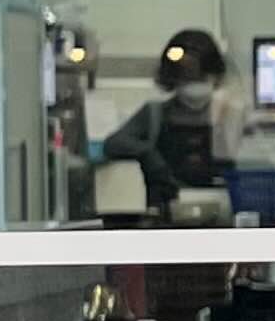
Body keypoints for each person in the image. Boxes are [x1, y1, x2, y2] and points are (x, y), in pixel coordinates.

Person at [101, 28, 240, 208]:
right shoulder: (154, 114)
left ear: (215, 77)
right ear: (173, 78)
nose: (194, 84)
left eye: (201, 78)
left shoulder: (230, 116)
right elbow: (113, 143)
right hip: (167, 210)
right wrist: (147, 153)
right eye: (187, 78)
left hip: (222, 207)